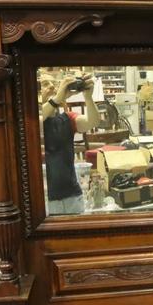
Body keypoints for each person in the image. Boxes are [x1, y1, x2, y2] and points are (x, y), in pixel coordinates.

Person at [40, 72, 100, 215]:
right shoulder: (29, 120)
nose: (52, 87)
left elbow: (93, 122)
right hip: (44, 198)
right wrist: (58, 98)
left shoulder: (67, 118)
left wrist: (88, 97)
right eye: (45, 84)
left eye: (54, 84)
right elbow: (36, 124)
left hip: (72, 196)